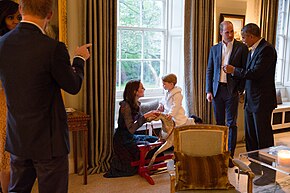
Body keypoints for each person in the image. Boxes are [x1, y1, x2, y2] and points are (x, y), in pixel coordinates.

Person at [0, 0, 92, 192]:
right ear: (49, 15)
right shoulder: (53, 48)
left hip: (18, 137)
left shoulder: (2, 44)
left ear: (21, 9)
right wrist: (79, 59)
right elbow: (73, 85)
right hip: (49, 142)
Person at [223, 23, 277, 186]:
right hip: (251, 100)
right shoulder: (253, 50)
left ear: (252, 36)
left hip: (262, 101)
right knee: (251, 138)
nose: (243, 40)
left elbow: (255, 74)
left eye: (244, 37)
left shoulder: (267, 50)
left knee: (264, 139)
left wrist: (234, 70)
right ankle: (255, 168)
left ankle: (269, 174)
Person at [206, 21, 248, 167]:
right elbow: (210, 70)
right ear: (221, 33)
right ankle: (219, 152)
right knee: (219, 124)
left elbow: (244, 71)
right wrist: (209, 90)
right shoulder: (214, 49)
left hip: (232, 90)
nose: (230, 35)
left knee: (231, 124)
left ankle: (230, 156)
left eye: (232, 31)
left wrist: (239, 89)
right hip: (217, 90)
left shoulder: (242, 48)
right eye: (227, 32)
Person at [104, 80, 160, 178]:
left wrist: (152, 115)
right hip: (123, 140)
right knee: (150, 146)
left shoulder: (137, 104)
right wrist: (145, 117)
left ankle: (150, 166)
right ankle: (146, 166)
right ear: (135, 91)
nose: (144, 89)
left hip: (130, 137)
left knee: (156, 141)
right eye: (141, 87)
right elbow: (131, 129)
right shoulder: (125, 106)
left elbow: (140, 119)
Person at [0, 1, 21, 193]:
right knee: (5, 155)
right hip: (3, 103)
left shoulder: (19, 42)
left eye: (18, 18)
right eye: (10, 17)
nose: (15, 22)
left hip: (16, 101)